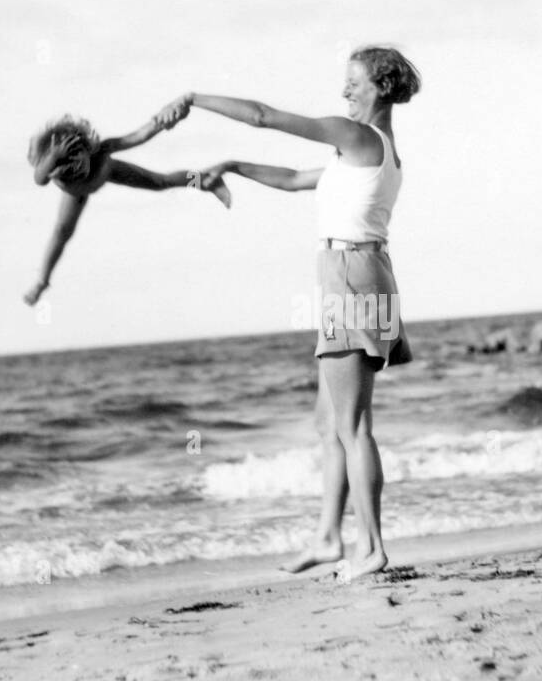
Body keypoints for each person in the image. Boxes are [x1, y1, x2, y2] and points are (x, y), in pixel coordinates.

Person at [155, 46, 421, 579]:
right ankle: (328, 538)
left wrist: (194, 99)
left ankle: (371, 549)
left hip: (351, 275)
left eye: (354, 82)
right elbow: (295, 179)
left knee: (352, 426)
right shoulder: (367, 153)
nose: (344, 91)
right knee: (330, 423)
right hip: (360, 273)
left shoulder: (362, 138)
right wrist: (231, 165)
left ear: (382, 88)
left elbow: (263, 117)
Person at [22, 114, 231, 306]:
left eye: (79, 168)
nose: (77, 175)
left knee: (162, 182)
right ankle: (42, 281)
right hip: (75, 195)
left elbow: (139, 136)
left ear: (88, 150)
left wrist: (164, 121)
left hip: (110, 172)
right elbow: (39, 179)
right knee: (61, 232)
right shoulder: (52, 168)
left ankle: (205, 180)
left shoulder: (102, 150)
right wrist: (53, 158)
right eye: (69, 174)